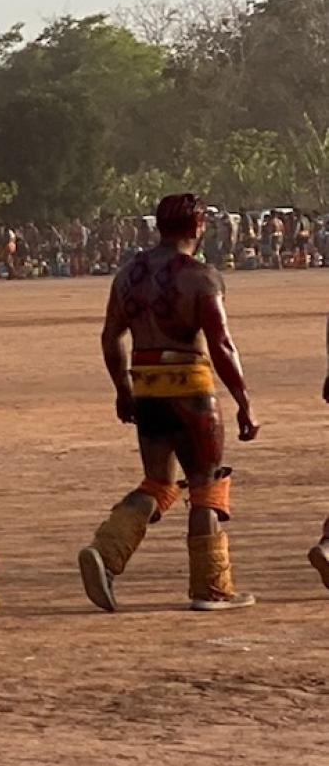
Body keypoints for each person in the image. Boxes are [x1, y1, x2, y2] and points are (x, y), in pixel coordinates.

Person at [84, 193, 258, 612]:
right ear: (198, 226)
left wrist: (122, 389)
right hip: (190, 387)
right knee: (206, 485)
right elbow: (220, 343)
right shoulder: (201, 277)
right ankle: (211, 588)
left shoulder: (128, 275)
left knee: (158, 482)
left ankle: (106, 553)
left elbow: (111, 336)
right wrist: (243, 399)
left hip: (146, 386)